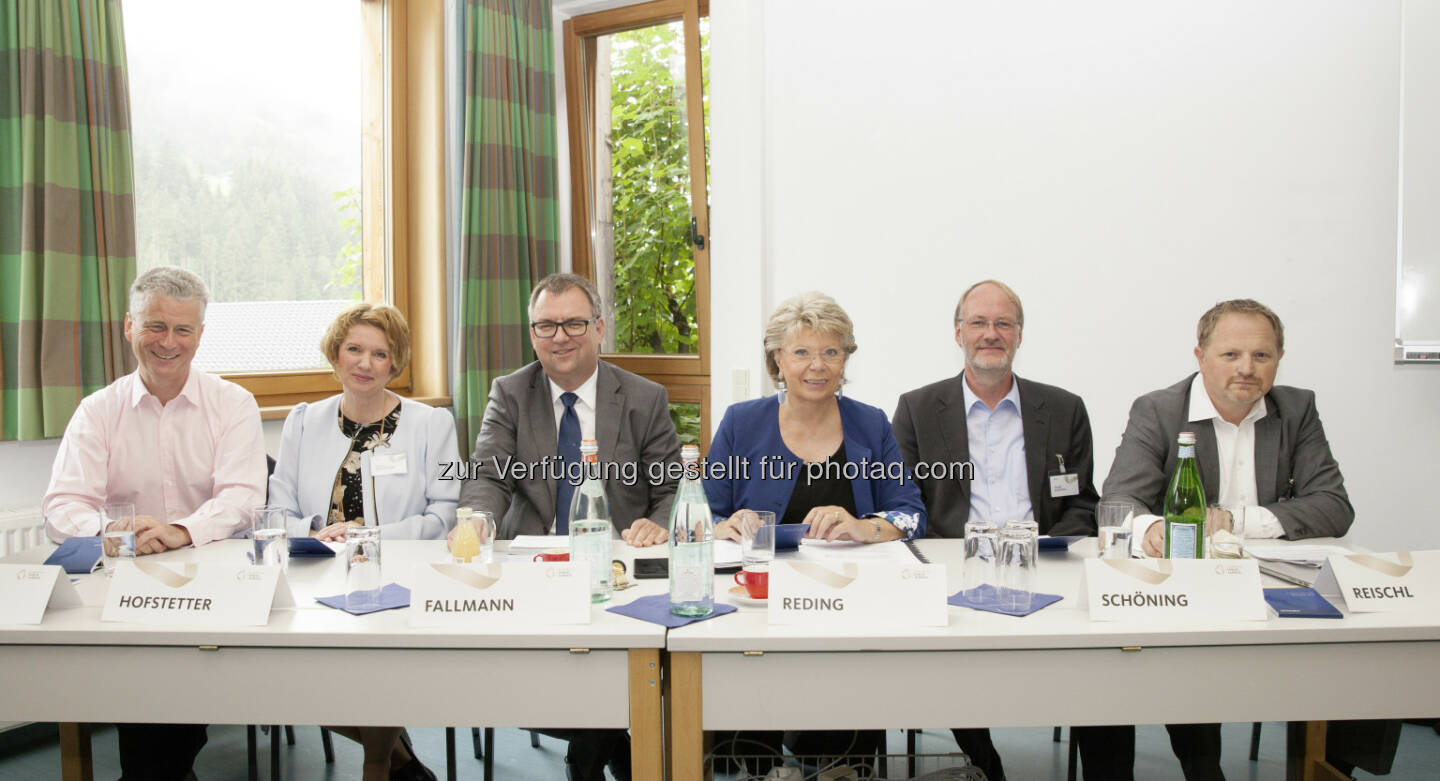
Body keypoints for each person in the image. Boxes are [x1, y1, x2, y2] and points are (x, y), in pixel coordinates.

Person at [1102, 298, 1357, 780]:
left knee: (1364, 645)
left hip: (1277, 585)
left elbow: (1334, 507)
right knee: (1185, 650)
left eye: (1262, 356)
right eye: (1231, 355)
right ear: (1200, 357)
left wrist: (1235, 522)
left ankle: (1337, 767)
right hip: (1193, 587)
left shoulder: (1297, 408)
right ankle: (1204, 769)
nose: (1247, 369)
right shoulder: (1159, 410)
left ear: (1279, 358)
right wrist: (1154, 527)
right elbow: (1120, 501)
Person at [892, 279, 1125, 781]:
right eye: (979, 322)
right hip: (956, 573)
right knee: (941, 659)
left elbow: (1083, 501)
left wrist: (1047, 545)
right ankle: (985, 765)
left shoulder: (1064, 408)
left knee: (1108, 659)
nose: (990, 334)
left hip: (1043, 567)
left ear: (1020, 335)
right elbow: (904, 504)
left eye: (1003, 324)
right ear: (958, 333)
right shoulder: (917, 408)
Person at [42, 266, 266, 781]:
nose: (169, 342)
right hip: (124, 589)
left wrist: (181, 531)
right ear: (129, 327)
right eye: (156, 326)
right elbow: (63, 503)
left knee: (162, 726)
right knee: (150, 712)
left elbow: (243, 496)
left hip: (216, 588)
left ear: (200, 335)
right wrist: (111, 531)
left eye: (183, 330)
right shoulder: (98, 411)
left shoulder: (233, 405)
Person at [457, 272, 682, 781]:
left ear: (599, 327)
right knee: (540, 664)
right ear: (532, 334)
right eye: (546, 326)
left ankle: (589, 753)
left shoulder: (644, 398)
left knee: (622, 658)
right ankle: (606, 747)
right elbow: (487, 474)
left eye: (574, 323)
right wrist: (475, 523)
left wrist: (657, 523)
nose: (560, 336)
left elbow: (671, 488)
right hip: (536, 563)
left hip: (621, 567)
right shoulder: (510, 392)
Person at [705, 291, 925, 766]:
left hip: (849, 603)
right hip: (755, 606)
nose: (817, 366)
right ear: (776, 360)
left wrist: (866, 526)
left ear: (846, 359)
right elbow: (701, 513)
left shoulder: (870, 424)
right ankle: (758, 764)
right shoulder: (742, 423)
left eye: (831, 351)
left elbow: (910, 513)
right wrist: (726, 524)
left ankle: (839, 765)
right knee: (751, 734)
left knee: (837, 736)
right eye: (801, 352)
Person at [269, 303, 456, 781]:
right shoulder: (304, 419)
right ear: (335, 354)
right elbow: (278, 510)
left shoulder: (431, 424)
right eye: (354, 349)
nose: (365, 363)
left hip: (396, 580)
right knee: (282, 674)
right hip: (313, 575)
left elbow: (444, 513)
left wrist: (368, 538)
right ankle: (402, 761)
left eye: (380, 353)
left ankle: (377, 762)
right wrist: (313, 532)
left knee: (380, 670)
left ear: (395, 363)